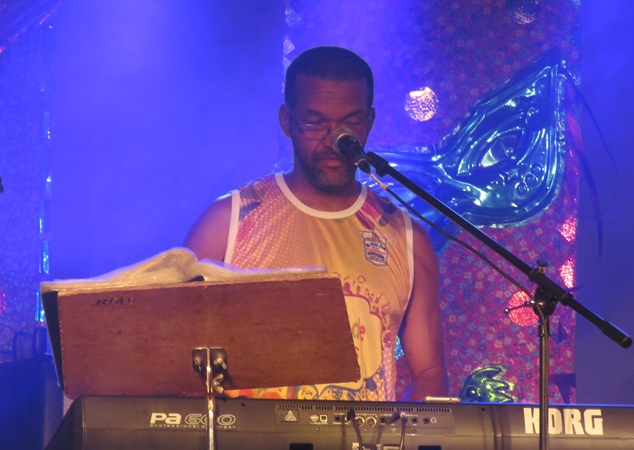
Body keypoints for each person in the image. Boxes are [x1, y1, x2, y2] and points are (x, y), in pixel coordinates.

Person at [184, 46, 447, 402]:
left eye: (350, 123)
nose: (334, 139)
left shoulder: (406, 236)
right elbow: (177, 357)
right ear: (286, 121)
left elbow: (429, 374)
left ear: (369, 122)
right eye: (315, 122)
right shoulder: (226, 222)